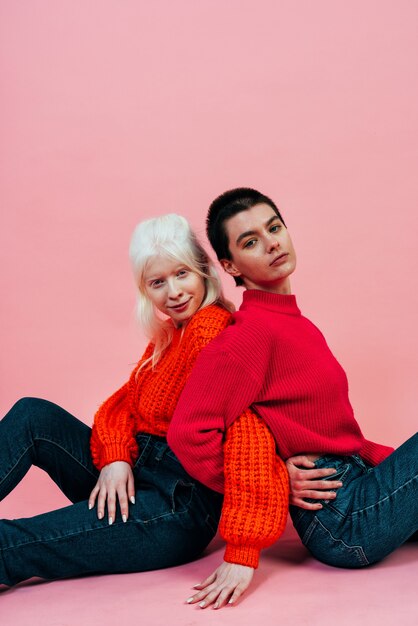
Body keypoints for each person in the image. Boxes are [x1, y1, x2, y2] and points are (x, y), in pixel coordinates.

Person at [0, 213, 291, 590]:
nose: (173, 292)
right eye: (158, 282)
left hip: (175, 508)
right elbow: (125, 404)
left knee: (17, 543)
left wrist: (243, 552)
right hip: (134, 475)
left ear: (204, 271)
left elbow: (249, 439)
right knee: (32, 415)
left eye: (182, 273)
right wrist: (117, 457)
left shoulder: (216, 337)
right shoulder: (171, 335)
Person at [168, 187, 418, 607]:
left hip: (362, 486)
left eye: (274, 227)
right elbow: (188, 433)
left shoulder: (298, 324)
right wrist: (274, 484)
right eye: (251, 242)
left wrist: (397, 467)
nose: (271, 243)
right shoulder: (247, 336)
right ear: (230, 266)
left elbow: (339, 434)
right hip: (340, 520)